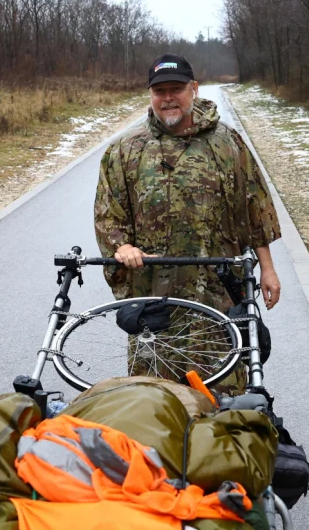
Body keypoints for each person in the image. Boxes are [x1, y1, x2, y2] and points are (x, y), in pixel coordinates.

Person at [95, 53, 282, 394]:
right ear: (150, 95)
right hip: (153, 297)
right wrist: (122, 246)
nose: (168, 98)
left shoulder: (227, 144)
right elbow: (109, 213)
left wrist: (267, 269)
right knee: (153, 397)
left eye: (176, 89)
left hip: (217, 292)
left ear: (193, 89)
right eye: (159, 91)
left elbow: (253, 209)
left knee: (222, 392)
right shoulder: (125, 150)